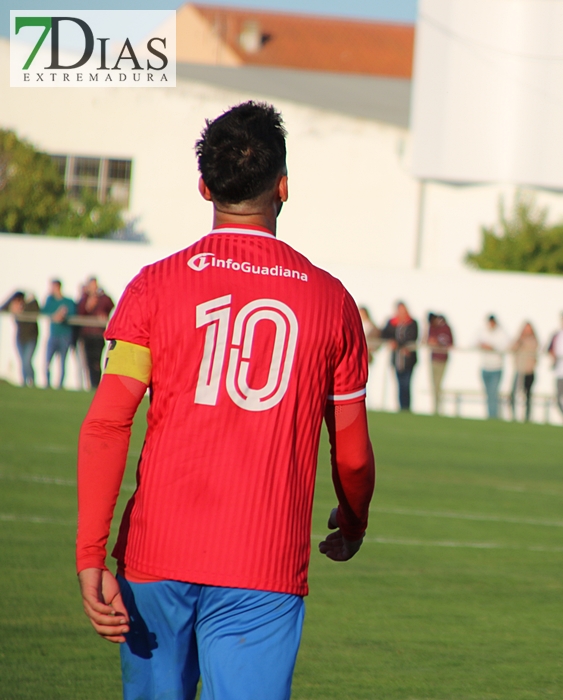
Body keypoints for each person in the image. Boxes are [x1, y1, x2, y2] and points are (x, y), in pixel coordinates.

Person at [75, 101, 375, 700]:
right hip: (263, 563)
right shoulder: (330, 301)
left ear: (204, 185)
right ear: (284, 185)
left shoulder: (153, 287)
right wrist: (354, 516)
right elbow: (354, 454)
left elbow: (107, 424)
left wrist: (90, 552)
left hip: (154, 557)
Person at [76, 277, 115, 389]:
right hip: (87, 334)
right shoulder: (85, 298)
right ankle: (92, 385)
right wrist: (88, 303)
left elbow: (110, 305)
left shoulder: (103, 298)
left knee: (97, 362)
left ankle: (98, 386)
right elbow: (80, 311)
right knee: (88, 362)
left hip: (98, 334)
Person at [381, 302, 418, 412]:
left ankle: (406, 407)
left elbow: (412, 337)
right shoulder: (392, 322)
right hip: (396, 359)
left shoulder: (412, 323)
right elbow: (384, 333)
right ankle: (401, 407)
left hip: (408, 359)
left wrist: (399, 344)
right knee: (399, 384)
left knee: (406, 384)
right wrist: (391, 341)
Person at [41, 279, 77, 389]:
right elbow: (43, 311)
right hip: (53, 335)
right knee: (47, 360)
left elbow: (72, 312)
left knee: (62, 361)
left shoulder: (68, 301)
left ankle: (60, 385)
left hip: (64, 335)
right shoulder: (50, 301)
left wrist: (62, 315)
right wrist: (55, 315)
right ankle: (47, 383)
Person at [2, 291, 40, 386]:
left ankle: (31, 381)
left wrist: (24, 306)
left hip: (31, 337)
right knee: (23, 361)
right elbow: (3, 308)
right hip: (20, 337)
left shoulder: (30, 305)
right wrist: (12, 303)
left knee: (27, 360)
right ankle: (25, 382)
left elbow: (36, 310)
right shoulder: (14, 306)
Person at [477, 314, 509, 419]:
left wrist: (492, 347)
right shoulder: (483, 332)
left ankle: (493, 417)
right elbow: (473, 342)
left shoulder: (501, 333)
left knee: (493, 393)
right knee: (488, 394)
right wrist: (481, 345)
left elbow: (505, 347)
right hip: (485, 368)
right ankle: (491, 415)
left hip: (496, 368)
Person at [509, 321, 539, 422]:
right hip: (519, 370)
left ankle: (527, 417)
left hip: (529, 372)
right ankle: (513, 416)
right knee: (513, 394)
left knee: (528, 396)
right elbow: (511, 349)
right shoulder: (519, 340)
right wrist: (520, 341)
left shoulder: (534, 340)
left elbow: (534, 350)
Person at [427, 313, 454, 415]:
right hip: (433, 359)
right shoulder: (432, 328)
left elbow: (449, 342)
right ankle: (435, 408)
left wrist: (437, 342)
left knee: (438, 384)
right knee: (434, 385)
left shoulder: (446, 329)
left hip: (442, 359)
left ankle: (438, 409)